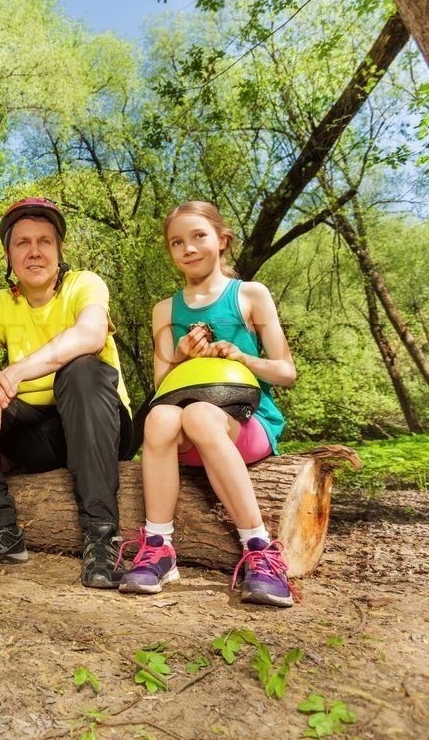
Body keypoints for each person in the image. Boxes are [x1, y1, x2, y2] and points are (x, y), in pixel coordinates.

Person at [0, 197, 132, 589]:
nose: (34, 251)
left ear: (60, 251)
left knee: (80, 368)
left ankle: (102, 537)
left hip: (100, 422)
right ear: (9, 256)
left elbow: (90, 334)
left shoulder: (84, 284)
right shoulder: (2, 304)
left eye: (44, 241)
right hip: (39, 436)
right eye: (22, 243)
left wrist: (12, 375)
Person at [119, 200, 297, 607]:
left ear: (221, 238)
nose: (189, 248)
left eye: (199, 236)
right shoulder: (164, 310)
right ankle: (159, 548)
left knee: (200, 415)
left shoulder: (250, 295)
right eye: (177, 242)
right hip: (186, 434)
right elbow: (163, 385)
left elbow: (286, 372)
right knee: (162, 417)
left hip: (246, 424)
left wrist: (242, 357)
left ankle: (261, 552)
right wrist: (181, 355)